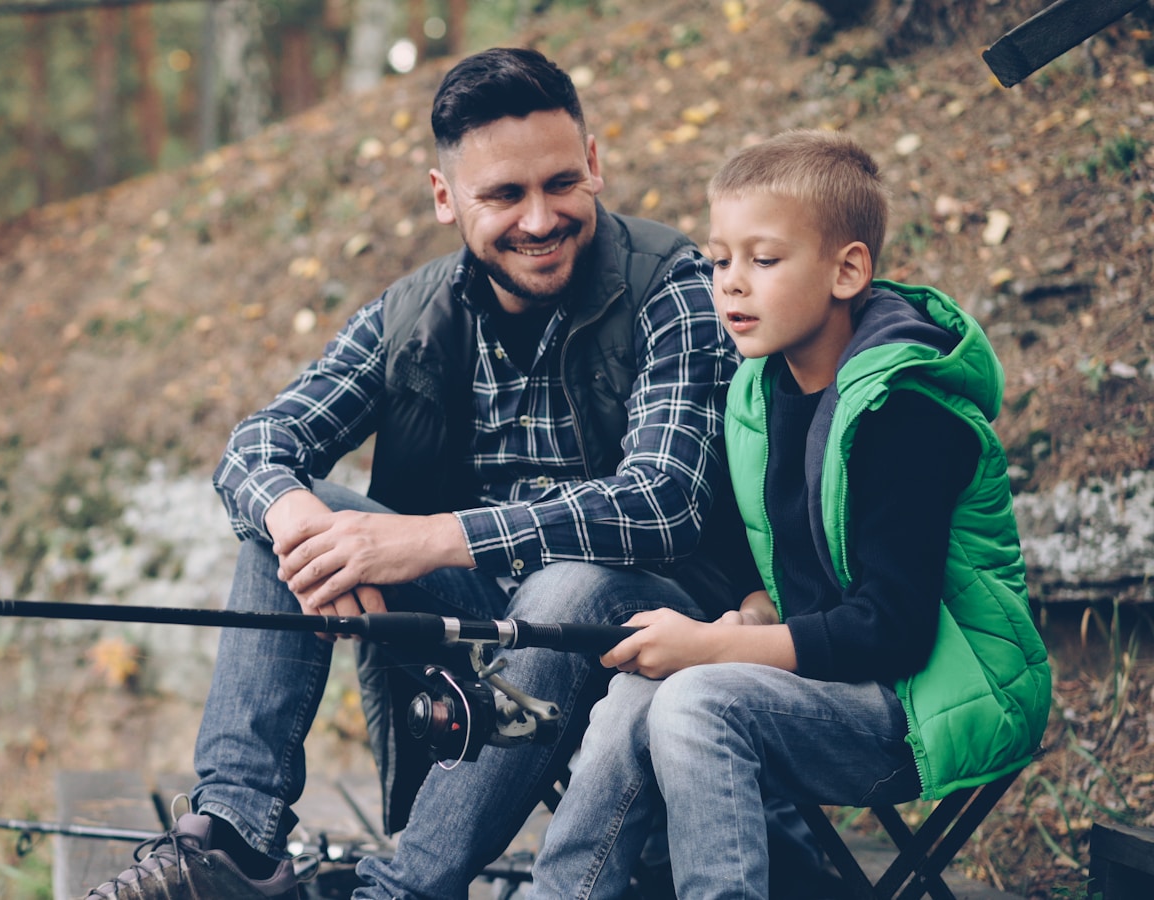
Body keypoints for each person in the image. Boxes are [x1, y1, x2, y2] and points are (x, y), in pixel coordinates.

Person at [81, 47, 742, 900]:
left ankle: (399, 890)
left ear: (595, 166)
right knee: (299, 521)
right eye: (503, 195)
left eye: (561, 183)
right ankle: (237, 838)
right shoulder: (408, 317)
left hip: (654, 622)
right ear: (445, 198)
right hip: (480, 632)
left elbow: (666, 501)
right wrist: (301, 527)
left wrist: (425, 541)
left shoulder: (671, 284)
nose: (540, 218)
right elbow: (255, 445)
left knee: (563, 590)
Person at [525, 129, 1053, 899]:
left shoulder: (905, 414)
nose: (731, 285)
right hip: (832, 685)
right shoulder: (759, 393)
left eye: (763, 261)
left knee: (698, 697)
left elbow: (890, 630)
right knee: (636, 693)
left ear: (847, 271)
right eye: (719, 260)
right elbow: (766, 555)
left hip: (932, 703)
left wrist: (711, 647)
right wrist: (748, 609)